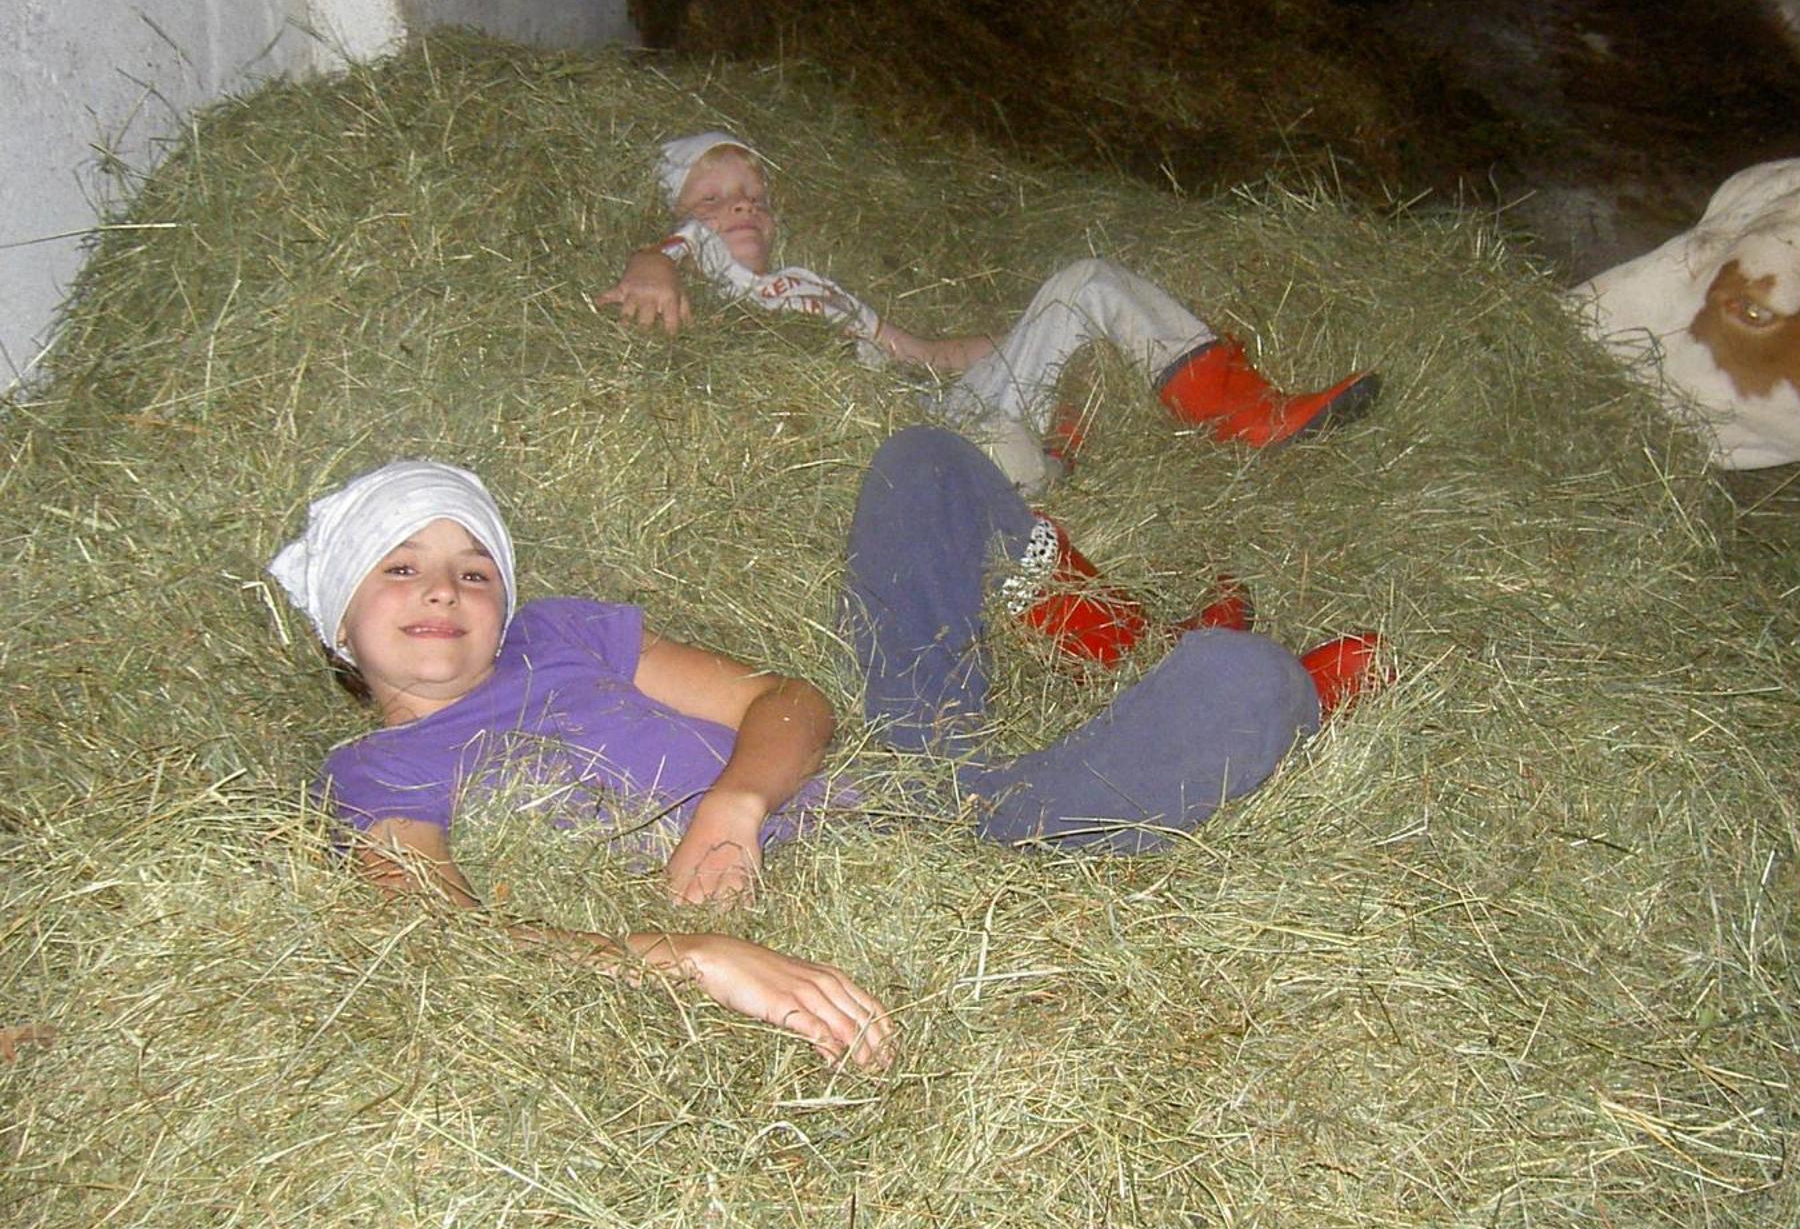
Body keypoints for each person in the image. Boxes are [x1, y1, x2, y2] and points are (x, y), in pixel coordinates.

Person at [268, 439, 1387, 1068]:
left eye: (472, 568)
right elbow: (449, 946)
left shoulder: (554, 636)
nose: (442, 591)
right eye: (398, 568)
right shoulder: (379, 779)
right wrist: (692, 954)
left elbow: (788, 697)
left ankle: (1107, 621)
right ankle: (1211, 685)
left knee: (924, 466)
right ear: (336, 621)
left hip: (883, 771)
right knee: (1248, 686)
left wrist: (735, 804)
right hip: (934, 848)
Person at [594, 131, 1381, 494]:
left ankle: (1246, 412)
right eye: (714, 198)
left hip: (935, 407)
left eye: (755, 200)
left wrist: (1044, 332)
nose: (741, 209)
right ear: (681, 214)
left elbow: (925, 354)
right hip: (887, 455)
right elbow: (666, 251)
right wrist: (653, 263)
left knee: (1086, 279)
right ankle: (1049, 467)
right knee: (999, 452)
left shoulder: (809, 286)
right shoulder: (711, 276)